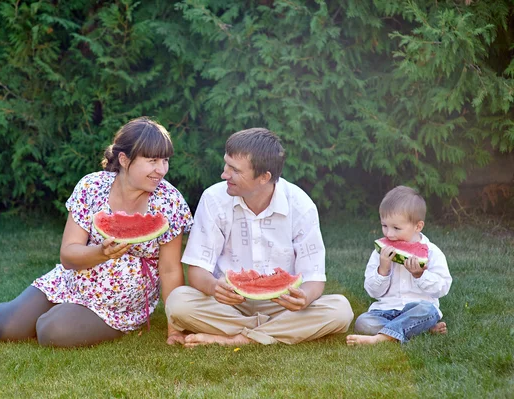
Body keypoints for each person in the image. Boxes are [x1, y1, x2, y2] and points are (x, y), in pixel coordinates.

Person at [0, 117, 193, 347]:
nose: (161, 170)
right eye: (152, 161)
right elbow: (68, 255)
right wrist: (101, 252)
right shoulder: (91, 186)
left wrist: (175, 329)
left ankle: (63, 318)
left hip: (119, 306)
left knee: (51, 331)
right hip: (72, 282)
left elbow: (170, 269)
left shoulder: (169, 201)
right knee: (4, 326)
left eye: (165, 160)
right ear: (124, 159)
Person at [165, 128, 354, 347]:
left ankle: (238, 338)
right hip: (228, 304)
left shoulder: (301, 206)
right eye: (226, 164)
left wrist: (305, 298)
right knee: (178, 302)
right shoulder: (213, 199)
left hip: (281, 305)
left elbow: (314, 277)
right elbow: (197, 270)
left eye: (235, 170)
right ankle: (274, 332)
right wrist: (213, 287)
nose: (224, 174)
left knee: (341, 310)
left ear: (264, 177)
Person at [346, 185, 452, 346]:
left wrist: (420, 275)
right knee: (363, 322)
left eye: (396, 228)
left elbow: (443, 288)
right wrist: (383, 270)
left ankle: (381, 338)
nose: (389, 234)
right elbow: (373, 292)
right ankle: (419, 329)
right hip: (385, 311)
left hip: (417, 309)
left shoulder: (432, 253)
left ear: (418, 226)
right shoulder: (380, 253)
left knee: (428, 311)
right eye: (384, 226)